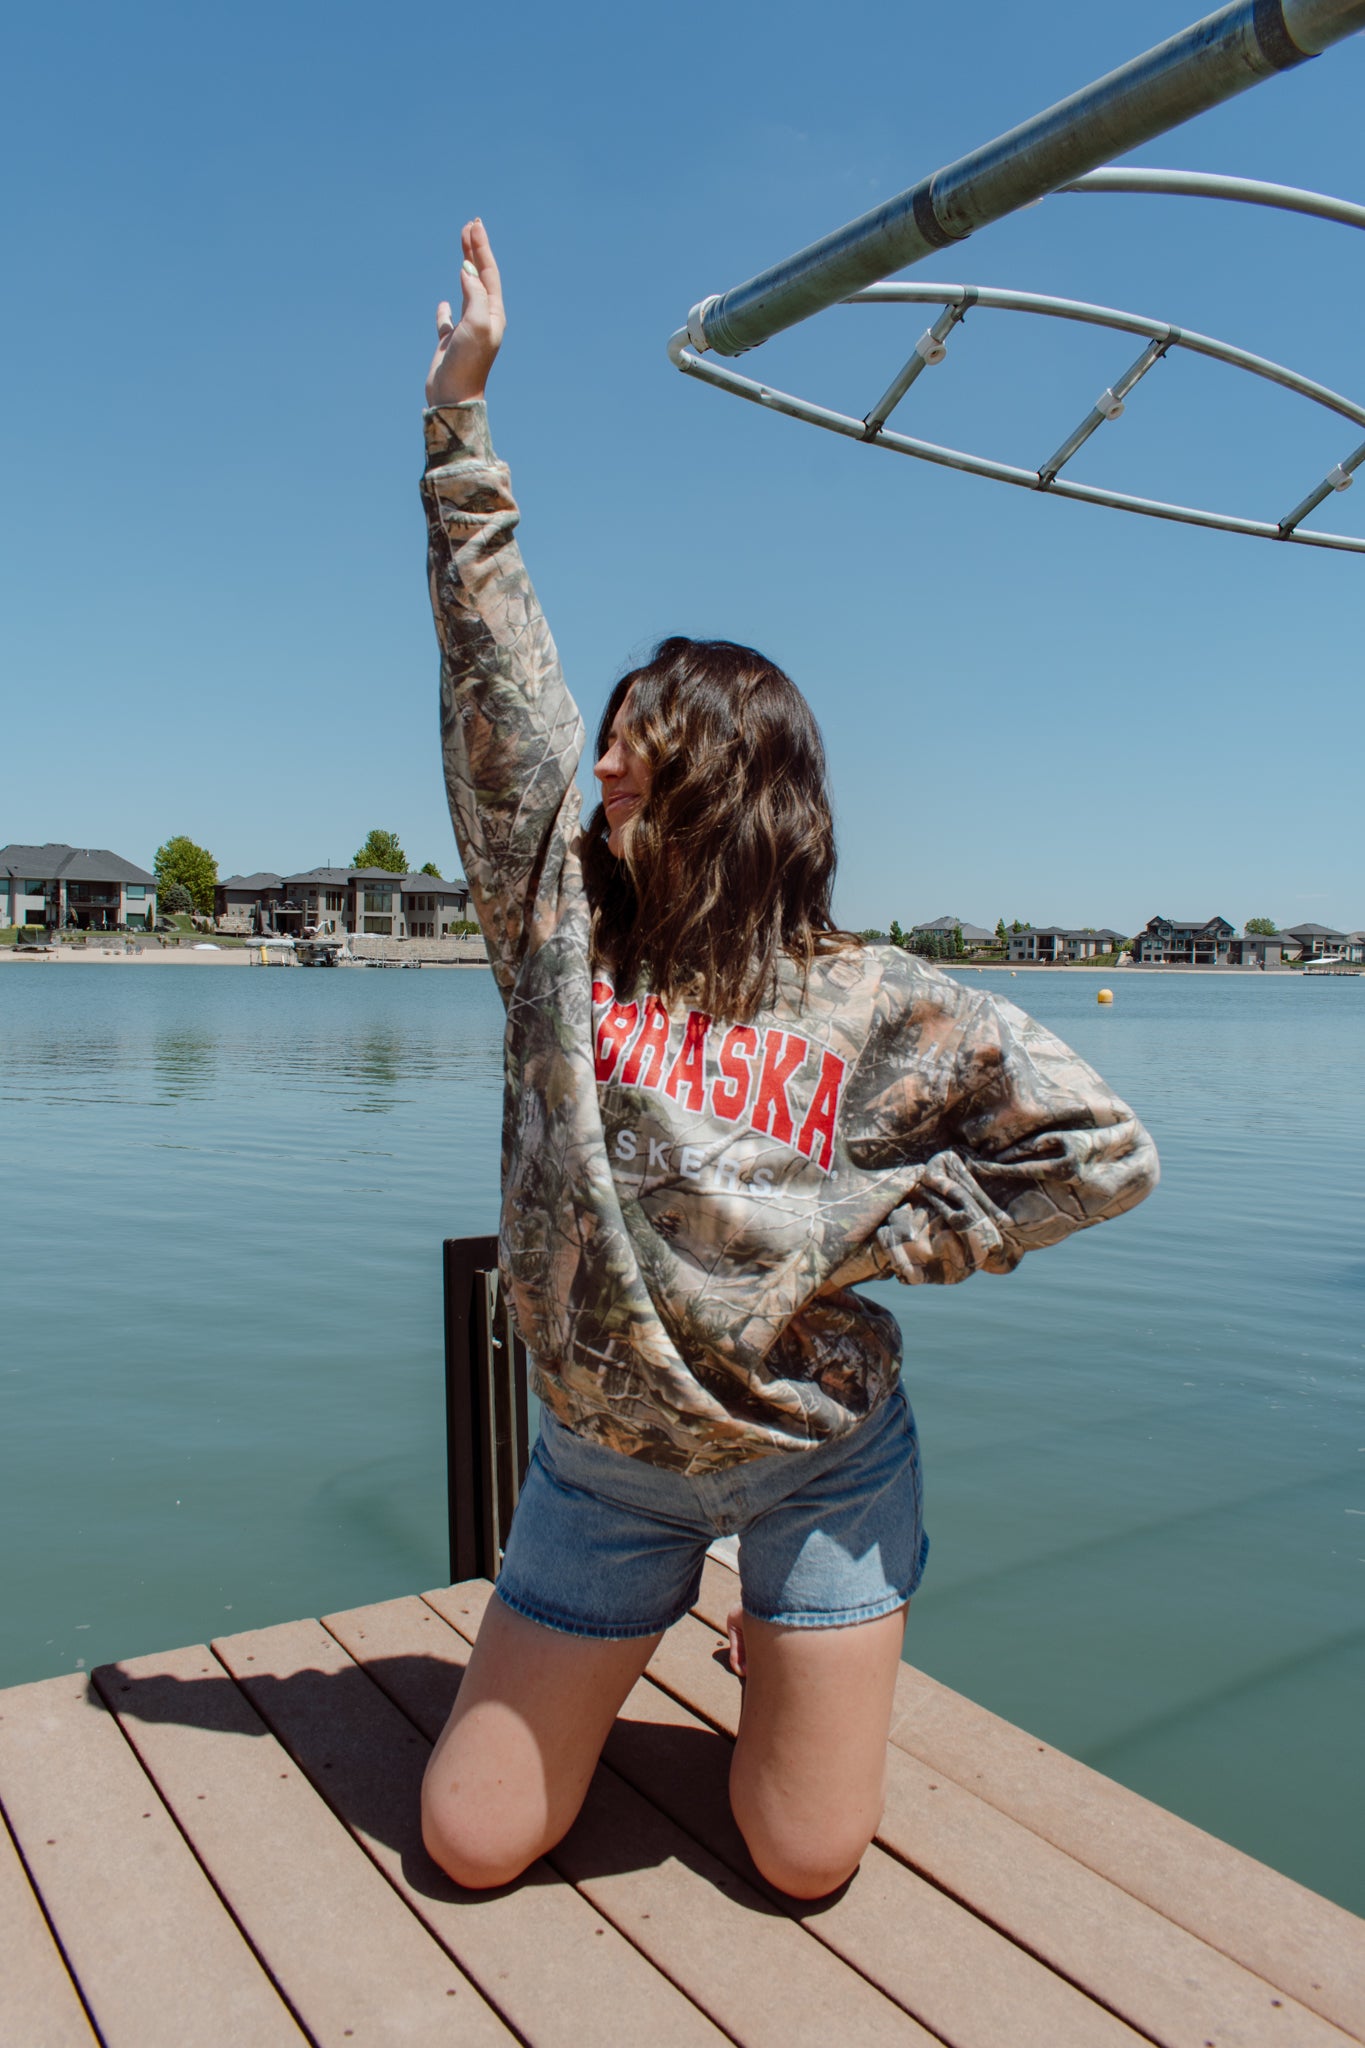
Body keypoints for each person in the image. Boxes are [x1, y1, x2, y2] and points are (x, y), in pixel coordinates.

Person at [418, 219, 1158, 1900]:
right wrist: (458, 430)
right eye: (600, 742)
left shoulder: (876, 1001)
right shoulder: (559, 945)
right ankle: (674, 1639)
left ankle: (799, 1634)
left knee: (803, 1857)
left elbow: (1099, 1152)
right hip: (605, 1462)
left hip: (819, 1451)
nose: (600, 769)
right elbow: (497, 694)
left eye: (636, 750)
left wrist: (872, 1233)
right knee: (469, 1845)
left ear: (731, 789)